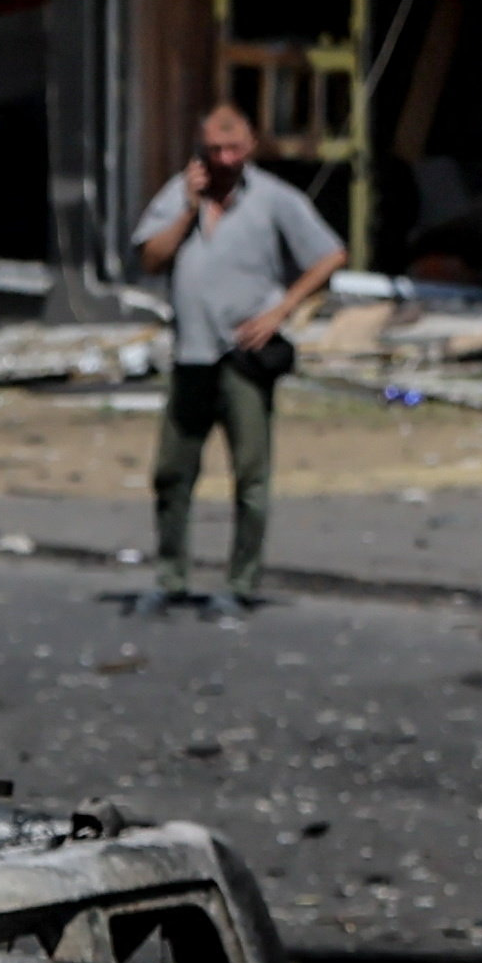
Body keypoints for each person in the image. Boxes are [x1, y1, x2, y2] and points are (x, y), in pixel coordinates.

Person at [131, 99, 345, 617]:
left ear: (249, 148)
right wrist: (187, 206)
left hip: (244, 358)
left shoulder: (274, 200)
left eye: (232, 148)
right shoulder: (179, 194)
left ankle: (241, 582)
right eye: (213, 149)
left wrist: (282, 311)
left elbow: (329, 254)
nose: (223, 158)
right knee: (172, 473)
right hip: (192, 356)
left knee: (250, 476)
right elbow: (150, 257)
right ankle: (171, 577)